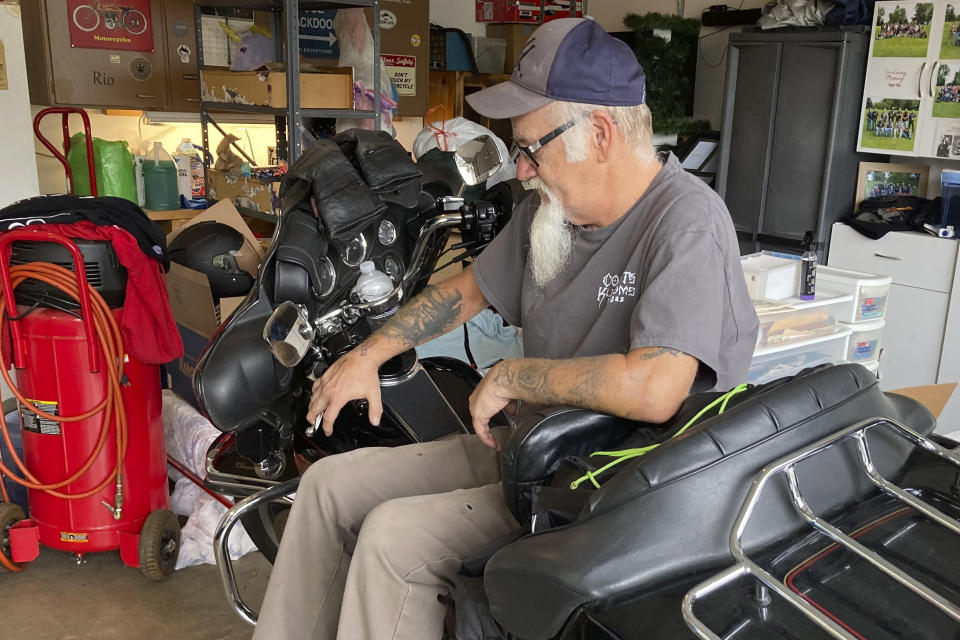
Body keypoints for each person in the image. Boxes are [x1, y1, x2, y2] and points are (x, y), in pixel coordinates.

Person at [253, 17, 758, 640]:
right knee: (327, 487)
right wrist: (368, 353)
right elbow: (462, 294)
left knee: (391, 541)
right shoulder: (550, 212)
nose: (520, 170)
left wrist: (516, 374)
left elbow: (656, 388)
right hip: (531, 450)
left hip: (613, 487)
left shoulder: (687, 222)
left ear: (599, 133)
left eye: (531, 148)